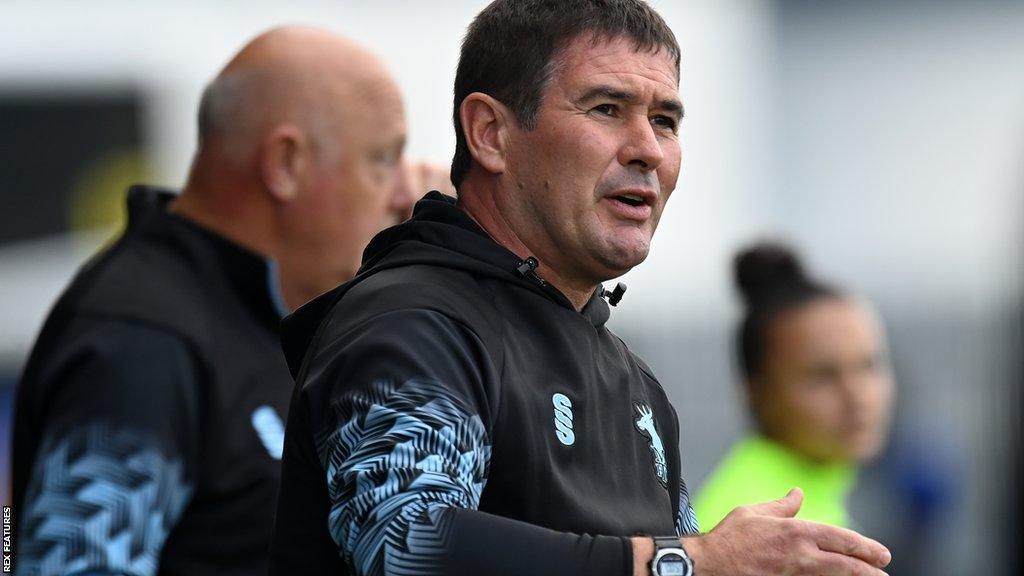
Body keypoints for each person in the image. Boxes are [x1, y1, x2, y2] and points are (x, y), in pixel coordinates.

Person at [269, 2, 893, 575]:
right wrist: (684, 562)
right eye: (606, 109)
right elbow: (408, 545)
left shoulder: (638, 388)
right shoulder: (414, 324)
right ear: (490, 133)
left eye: (666, 120)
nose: (648, 149)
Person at [12, 26, 427, 576]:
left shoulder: (253, 310)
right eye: (382, 159)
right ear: (286, 164)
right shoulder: (143, 338)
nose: (405, 194)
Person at [693, 242, 896, 530]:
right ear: (756, 392)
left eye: (869, 366)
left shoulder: (809, 492)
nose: (857, 395)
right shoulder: (760, 519)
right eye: (823, 376)